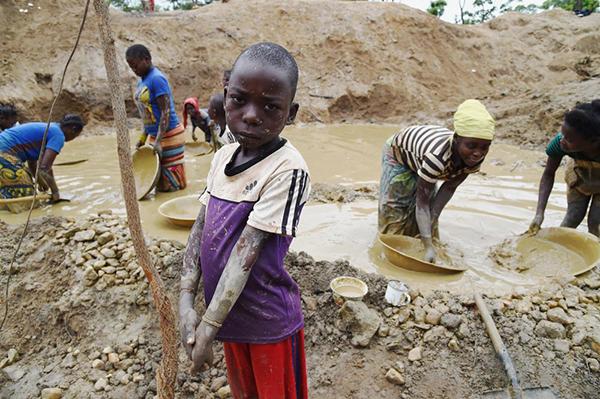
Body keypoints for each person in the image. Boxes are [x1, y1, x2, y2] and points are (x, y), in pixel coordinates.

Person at [179, 42, 310, 399]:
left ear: (291, 112)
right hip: (229, 318)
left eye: (270, 106)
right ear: (225, 97)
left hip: (268, 321)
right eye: (239, 100)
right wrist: (186, 301)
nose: (252, 115)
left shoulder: (288, 169)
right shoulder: (222, 158)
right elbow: (199, 229)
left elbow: (245, 252)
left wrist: (207, 328)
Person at [378, 99, 495, 263]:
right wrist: (427, 246)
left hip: (425, 158)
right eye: (471, 145)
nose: (478, 153)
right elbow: (422, 202)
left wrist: (432, 222)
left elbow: (449, 188)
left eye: (484, 147)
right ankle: (389, 252)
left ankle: (421, 241)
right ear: (456, 140)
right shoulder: (437, 158)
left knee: (429, 215)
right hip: (399, 153)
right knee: (396, 206)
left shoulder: (475, 158)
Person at [530, 100, 600, 236]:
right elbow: (548, 174)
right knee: (572, 218)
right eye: (563, 134)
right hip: (579, 178)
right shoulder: (559, 144)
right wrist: (539, 213)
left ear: (594, 141)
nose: (562, 140)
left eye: (569, 139)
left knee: (596, 225)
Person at [126, 44, 187, 192]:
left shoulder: (157, 79)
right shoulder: (142, 81)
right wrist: (142, 139)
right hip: (156, 136)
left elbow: (165, 112)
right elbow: (147, 115)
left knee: (171, 183)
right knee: (156, 180)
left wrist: (159, 141)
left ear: (146, 59)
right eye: (131, 67)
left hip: (169, 134)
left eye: (135, 65)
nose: (134, 70)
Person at [0, 114, 84, 202]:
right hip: (3, 154)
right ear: (73, 129)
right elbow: (45, 168)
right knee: (25, 198)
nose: (73, 138)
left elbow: (33, 164)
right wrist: (55, 191)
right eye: (76, 136)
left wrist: (41, 182)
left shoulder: (51, 128)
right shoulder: (58, 135)